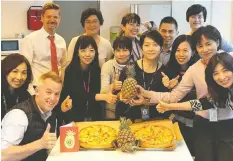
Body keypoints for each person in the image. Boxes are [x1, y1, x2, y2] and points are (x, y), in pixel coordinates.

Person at [136, 25, 231, 160]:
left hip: (228, 123)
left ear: (218, 42)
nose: (205, 49)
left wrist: (169, 106)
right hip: (203, 123)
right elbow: (179, 97)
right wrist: (148, 93)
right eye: (200, 46)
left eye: (208, 44)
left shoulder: (230, 60)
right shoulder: (194, 69)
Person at [156, 53, 233, 161]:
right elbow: (200, 104)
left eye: (225, 70)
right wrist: (169, 106)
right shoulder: (223, 91)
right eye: (216, 73)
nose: (221, 77)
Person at [1, 71, 62, 161]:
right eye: (48, 92)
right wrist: (40, 144)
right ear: (37, 91)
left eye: (57, 94)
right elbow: (3, 155)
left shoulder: (52, 114)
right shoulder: (18, 115)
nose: (53, 98)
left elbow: (49, 150)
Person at [56, 35, 117, 125]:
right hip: (74, 115)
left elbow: (96, 91)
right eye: (83, 50)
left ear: (95, 52)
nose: (87, 54)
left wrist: (111, 87)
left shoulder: (96, 69)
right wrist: (102, 96)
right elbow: (78, 96)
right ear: (77, 52)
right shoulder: (71, 70)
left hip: (93, 116)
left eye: (91, 50)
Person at [116, 30, 169, 121]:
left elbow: (168, 99)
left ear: (161, 48)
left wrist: (145, 102)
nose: (150, 49)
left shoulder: (165, 72)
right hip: (129, 119)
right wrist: (121, 96)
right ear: (141, 48)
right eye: (147, 45)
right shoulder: (130, 68)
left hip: (156, 120)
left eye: (155, 45)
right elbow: (117, 93)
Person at [161, 35, 199, 156]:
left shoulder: (199, 70)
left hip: (197, 123)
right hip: (177, 122)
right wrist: (167, 86)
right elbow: (163, 97)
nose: (180, 54)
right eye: (177, 50)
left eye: (185, 50)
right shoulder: (168, 71)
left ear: (193, 52)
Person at [20, 2, 67, 94]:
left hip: (56, 90)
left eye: (55, 17)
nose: (52, 20)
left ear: (59, 19)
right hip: (37, 90)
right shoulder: (30, 39)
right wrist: (31, 91)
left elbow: (63, 66)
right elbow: (24, 68)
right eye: (48, 17)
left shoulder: (62, 41)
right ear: (42, 18)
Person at [101, 36, 132, 119]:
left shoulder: (135, 66)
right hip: (111, 112)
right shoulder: (107, 66)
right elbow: (103, 92)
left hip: (132, 111)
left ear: (131, 52)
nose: (121, 54)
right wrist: (112, 87)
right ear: (113, 51)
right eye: (118, 50)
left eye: (125, 50)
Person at [1, 54, 33, 120]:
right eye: (15, 71)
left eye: (24, 73)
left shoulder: (26, 96)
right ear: (5, 72)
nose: (19, 77)